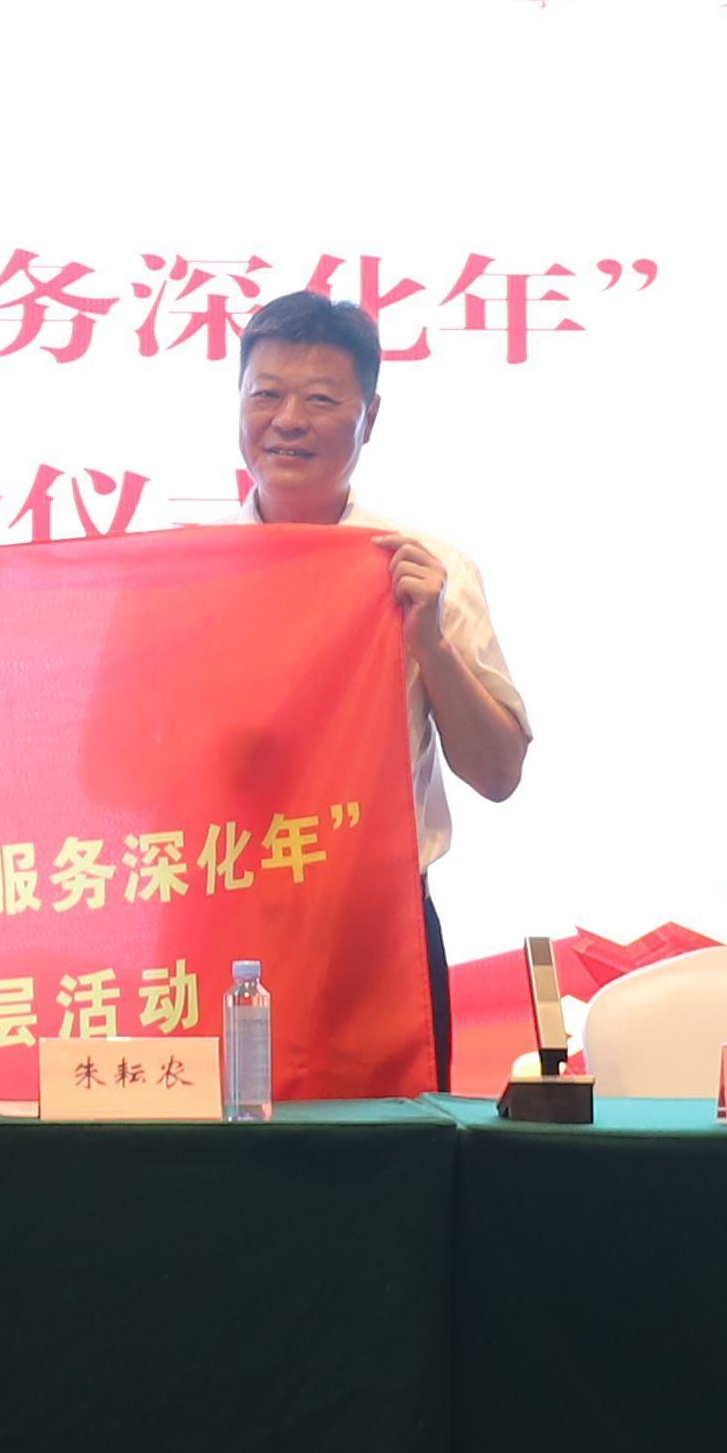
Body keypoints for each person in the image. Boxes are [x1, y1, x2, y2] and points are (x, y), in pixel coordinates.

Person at [233, 291, 529, 1082]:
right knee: (215, 1151)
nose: (288, 420)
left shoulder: (425, 569)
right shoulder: (182, 579)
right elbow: (107, 771)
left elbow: (499, 774)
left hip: (376, 930)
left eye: (321, 400)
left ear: (369, 416)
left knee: (391, 1150)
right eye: (266, 394)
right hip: (218, 919)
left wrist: (429, 640)